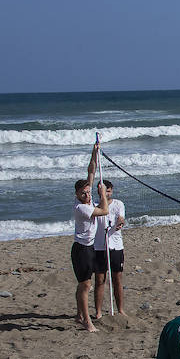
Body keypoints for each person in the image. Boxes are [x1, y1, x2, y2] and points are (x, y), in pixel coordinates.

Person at [71, 141, 110, 332]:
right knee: (86, 285)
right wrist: (103, 194)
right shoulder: (82, 207)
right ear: (77, 195)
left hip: (90, 247)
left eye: (88, 192)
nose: (87, 194)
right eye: (83, 193)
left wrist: (94, 153)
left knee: (84, 284)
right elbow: (104, 210)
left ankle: (80, 315)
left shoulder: (87, 198)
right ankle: (87, 321)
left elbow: (91, 172)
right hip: (82, 249)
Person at [91, 179, 127, 319]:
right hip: (99, 246)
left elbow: (121, 218)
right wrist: (102, 199)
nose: (106, 193)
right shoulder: (94, 205)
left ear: (111, 190)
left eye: (108, 190)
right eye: (103, 190)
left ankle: (120, 310)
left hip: (116, 245)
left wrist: (120, 223)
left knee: (117, 278)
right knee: (100, 279)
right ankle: (98, 312)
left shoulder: (118, 204)